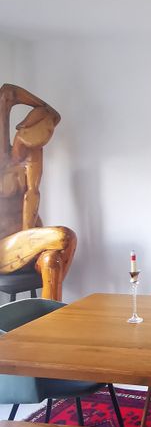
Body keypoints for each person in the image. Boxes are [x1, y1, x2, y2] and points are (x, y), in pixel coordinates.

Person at [0, 83, 76, 300]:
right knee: (65, 236)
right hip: (4, 248)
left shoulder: (31, 156)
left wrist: (29, 238)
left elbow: (32, 195)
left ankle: (51, 314)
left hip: (30, 241)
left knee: (52, 261)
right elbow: (8, 93)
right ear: (24, 132)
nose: (37, 148)